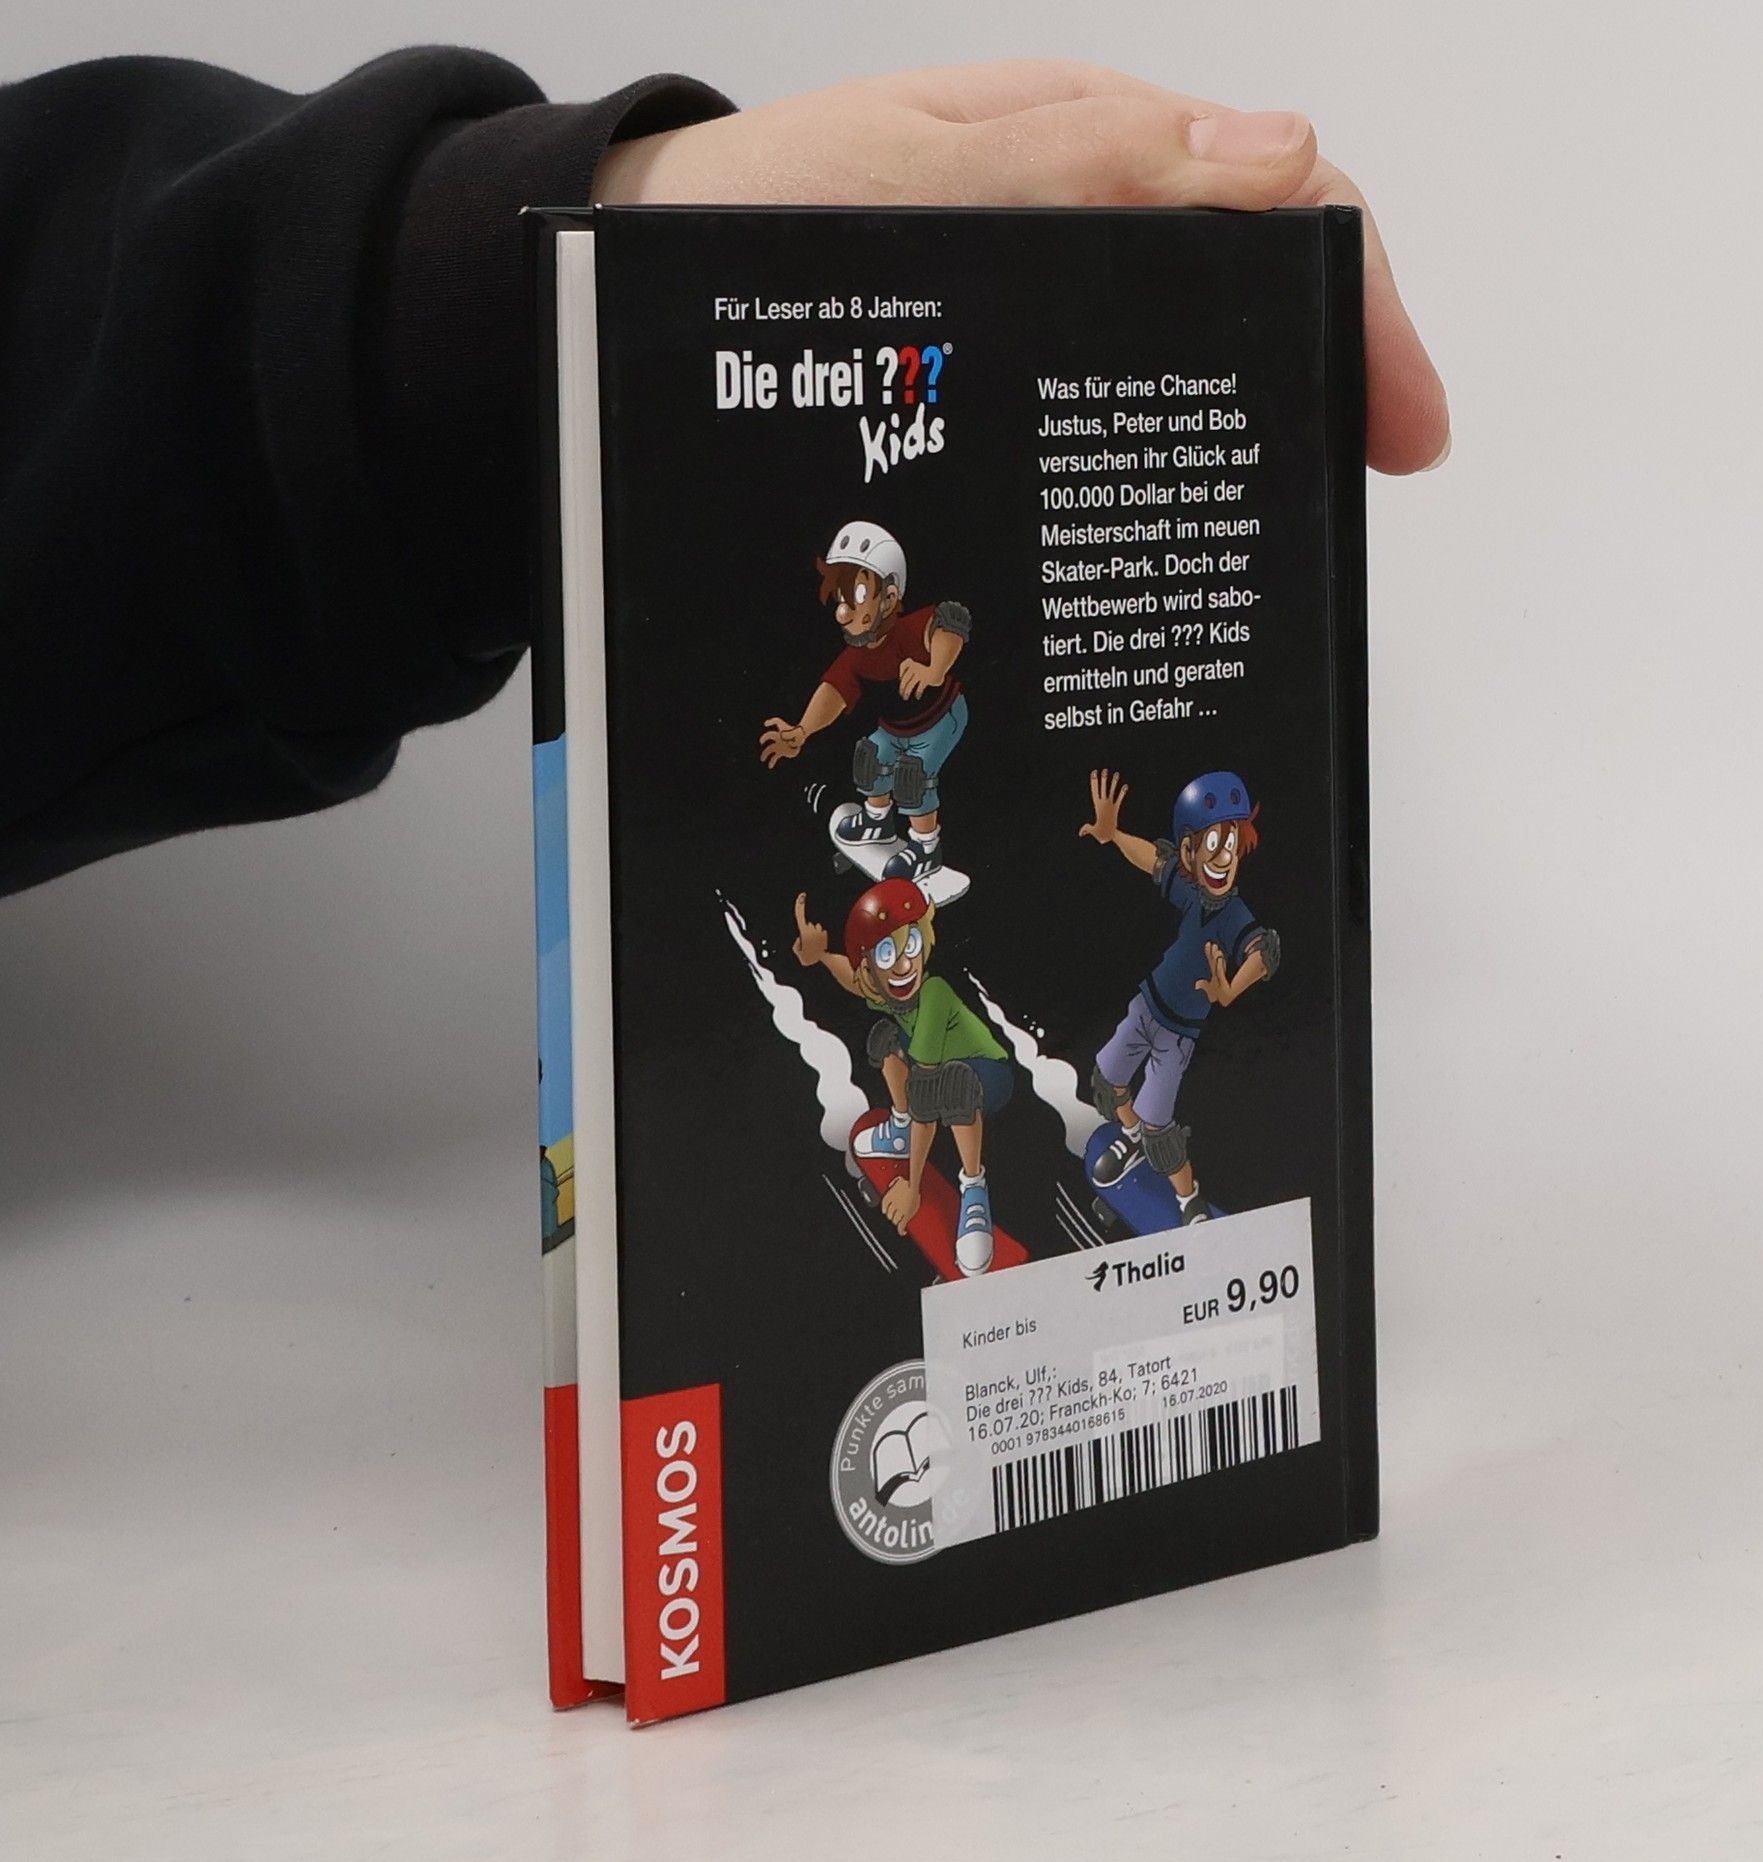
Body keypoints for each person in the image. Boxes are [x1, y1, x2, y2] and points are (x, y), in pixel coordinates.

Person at [0, 55, 1448, 899]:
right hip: (892, 763)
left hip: (945, 740)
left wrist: (505, 295)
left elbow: (952, 632)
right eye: (850, 591)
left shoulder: (919, 634)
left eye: (865, 591)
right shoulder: (853, 651)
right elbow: (832, 690)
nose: (858, 606)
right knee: (868, 790)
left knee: (908, 782)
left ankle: (918, 852)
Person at [1079, 768, 1279, 1224]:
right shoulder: (1191, 891)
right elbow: (1154, 861)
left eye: (1231, 844)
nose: (1224, 857)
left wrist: (1229, 989)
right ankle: (1129, 1137)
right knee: (1108, 1080)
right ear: (1189, 851)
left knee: (1160, 1130)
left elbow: (1262, 952)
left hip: (1178, 1034)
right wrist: (1113, 835)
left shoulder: (1234, 914)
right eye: (1214, 844)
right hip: (1146, 1006)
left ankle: (1189, 1201)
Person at [790, 882, 1012, 1276]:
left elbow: (926, 1099)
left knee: (952, 1084)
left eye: (910, 946)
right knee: (884, 1037)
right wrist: (820, 955)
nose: (904, 965)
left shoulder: (935, 992)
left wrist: (912, 1188)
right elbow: (854, 980)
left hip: (986, 1075)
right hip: (938, 1072)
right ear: (870, 966)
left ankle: (974, 1189)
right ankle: (900, 1128)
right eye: (886, 954)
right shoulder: (891, 992)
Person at [760, 522, 972, 884]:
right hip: (895, 729)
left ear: (888, 598)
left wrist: (935, 669)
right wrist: (802, 731)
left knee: (912, 774)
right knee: (870, 757)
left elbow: (952, 622)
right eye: (841, 601)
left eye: (857, 596)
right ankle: (877, 821)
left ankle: (926, 847)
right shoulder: (856, 657)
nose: (843, 613)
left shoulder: (910, 631)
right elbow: (833, 692)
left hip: (941, 718)